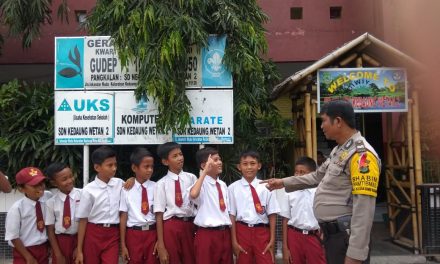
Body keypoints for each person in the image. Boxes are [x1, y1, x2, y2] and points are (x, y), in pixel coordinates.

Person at [263, 100, 381, 264]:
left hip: (346, 238)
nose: (321, 126)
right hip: (334, 235)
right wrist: (283, 182)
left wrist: (356, 254)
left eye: (324, 120)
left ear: (338, 121)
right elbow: (317, 176)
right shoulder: (340, 150)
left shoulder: (362, 156)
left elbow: (364, 209)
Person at [228, 150, 279, 264]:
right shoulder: (232, 188)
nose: (249, 167)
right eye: (245, 164)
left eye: (252, 163)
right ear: (239, 167)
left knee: (266, 260)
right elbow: (232, 215)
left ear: (259, 166)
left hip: (262, 232)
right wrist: (234, 241)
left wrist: (272, 239)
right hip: (242, 231)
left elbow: (272, 214)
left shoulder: (267, 187)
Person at [75, 146, 123, 264]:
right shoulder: (88, 190)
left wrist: (132, 179)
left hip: (113, 233)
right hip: (93, 233)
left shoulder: (120, 183)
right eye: (109, 165)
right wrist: (79, 249)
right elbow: (83, 219)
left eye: (115, 164)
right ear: (97, 167)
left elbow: (133, 186)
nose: (114, 168)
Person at [153, 142, 197, 264]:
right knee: (173, 260)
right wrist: (161, 245)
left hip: (189, 224)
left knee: (191, 259)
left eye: (181, 154)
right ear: (165, 162)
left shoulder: (192, 178)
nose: (180, 158)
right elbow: (159, 214)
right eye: (175, 156)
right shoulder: (161, 184)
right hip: (171, 226)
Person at [189, 147, 233, 264]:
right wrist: (204, 173)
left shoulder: (223, 185)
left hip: (224, 233)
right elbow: (193, 194)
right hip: (207, 235)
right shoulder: (200, 184)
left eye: (220, 159)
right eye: (215, 160)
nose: (219, 162)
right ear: (204, 165)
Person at [280, 156, 325, 264]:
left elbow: (325, 215)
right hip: (294, 236)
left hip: (314, 236)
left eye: (302, 172)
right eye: (296, 172)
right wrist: (285, 248)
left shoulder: (320, 192)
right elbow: (285, 220)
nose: (298, 176)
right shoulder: (289, 192)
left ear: (313, 174)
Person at [5, 167, 53, 264]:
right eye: (35, 185)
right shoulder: (17, 209)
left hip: (43, 249)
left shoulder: (48, 196)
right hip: (24, 251)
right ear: (21, 189)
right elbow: (13, 236)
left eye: (42, 183)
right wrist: (28, 257)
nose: (40, 187)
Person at [120, 147, 158, 264]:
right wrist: (123, 245)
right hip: (133, 234)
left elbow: (159, 215)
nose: (150, 170)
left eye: (151, 166)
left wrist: (159, 241)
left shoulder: (157, 187)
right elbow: (123, 216)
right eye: (146, 167)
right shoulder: (126, 189)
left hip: (152, 233)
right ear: (134, 168)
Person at [45, 163, 81, 264]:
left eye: (71, 176)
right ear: (54, 183)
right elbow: (50, 230)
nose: (70, 181)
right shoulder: (51, 202)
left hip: (80, 239)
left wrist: (79, 247)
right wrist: (58, 254)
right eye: (64, 179)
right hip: (61, 242)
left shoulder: (83, 195)